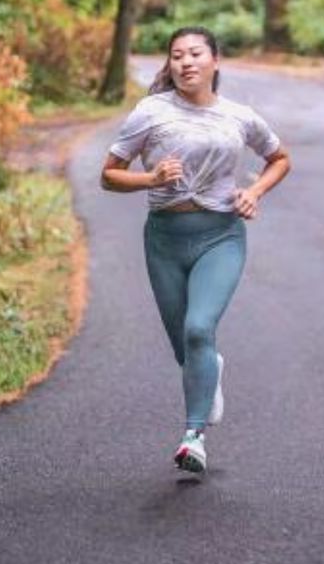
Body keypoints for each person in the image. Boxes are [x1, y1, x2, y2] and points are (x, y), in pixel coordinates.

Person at [100, 26, 291, 473]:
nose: (186, 62)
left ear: (215, 61)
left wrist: (255, 192)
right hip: (164, 239)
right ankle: (209, 371)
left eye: (195, 54)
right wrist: (151, 179)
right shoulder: (150, 112)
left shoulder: (239, 116)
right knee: (184, 347)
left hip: (220, 235)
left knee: (199, 328)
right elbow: (108, 176)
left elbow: (280, 158)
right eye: (176, 56)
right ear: (169, 65)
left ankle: (193, 436)